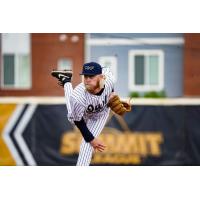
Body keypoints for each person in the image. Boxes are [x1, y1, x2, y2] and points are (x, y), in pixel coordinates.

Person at [51, 62, 130, 166]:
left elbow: (106, 70)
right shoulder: (78, 96)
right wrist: (92, 139)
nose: (87, 79)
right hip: (82, 115)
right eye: (85, 76)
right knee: (72, 117)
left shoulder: (109, 81)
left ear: (101, 77)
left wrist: (112, 94)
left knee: (86, 145)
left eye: (91, 76)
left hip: (100, 115)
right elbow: (78, 121)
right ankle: (66, 81)